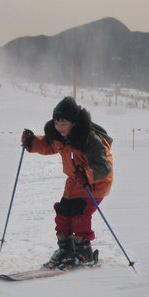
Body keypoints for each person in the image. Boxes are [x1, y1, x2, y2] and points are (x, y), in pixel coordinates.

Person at [21, 96, 113, 268]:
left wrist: (87, 175)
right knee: (63, 212)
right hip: (75, 182)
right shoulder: (61, 137)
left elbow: (104, 165)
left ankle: (84, 252)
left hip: (96, 184)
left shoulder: (90, 139)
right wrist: (32, 142)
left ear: (73, 123)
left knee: (79, 212)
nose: (59, 127)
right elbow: (48, 146)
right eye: (57, 123)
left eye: (63, 123)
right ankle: (66, 249)